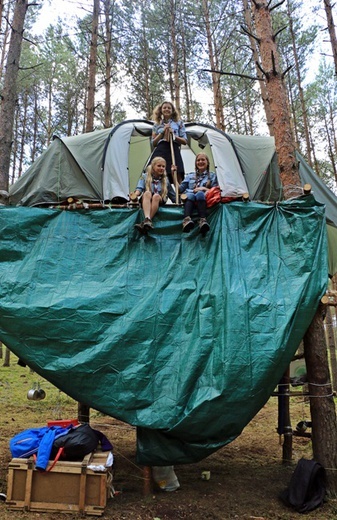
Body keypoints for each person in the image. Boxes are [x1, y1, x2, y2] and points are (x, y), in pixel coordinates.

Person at [131, 157, 176, 234]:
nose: (161, 168)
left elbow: (173, 196)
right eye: (159, 166)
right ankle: (148, 219)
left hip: (159, 199)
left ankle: (147, 220)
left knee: (156, 196)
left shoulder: (165, 180)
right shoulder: (145, 176)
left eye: (163, 166)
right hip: (147, 199)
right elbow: (139, 189)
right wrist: (135, 195)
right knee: (147, 193)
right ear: (153, 166)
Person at [178, 153, 219, 235]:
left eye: (203, 160)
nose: (200, 162)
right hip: (190, 199)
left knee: (200, 193)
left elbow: (216, 190)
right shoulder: (190, 176)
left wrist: (204, 189)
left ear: (207, 162)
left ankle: (202, 220)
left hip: (204, 199)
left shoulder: (213, 176)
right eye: (198, 160)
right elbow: (180, 190)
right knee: (191, 195)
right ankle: (186, 220)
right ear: (196, 163)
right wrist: (174, 175)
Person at [150, 101, 187, 184]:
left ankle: (179, 195)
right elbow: (153, 143)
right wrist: (162, 132)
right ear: (161, 110)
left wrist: (173, 135)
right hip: (161, 149)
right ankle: (157, 194)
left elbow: (184, 141)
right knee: (156, 173)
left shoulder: (179, 123)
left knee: (177, 173)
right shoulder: (156, 125)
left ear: (172, 110)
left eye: (169, 108)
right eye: (164, 108)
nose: (166, 109)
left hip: (174, 148)